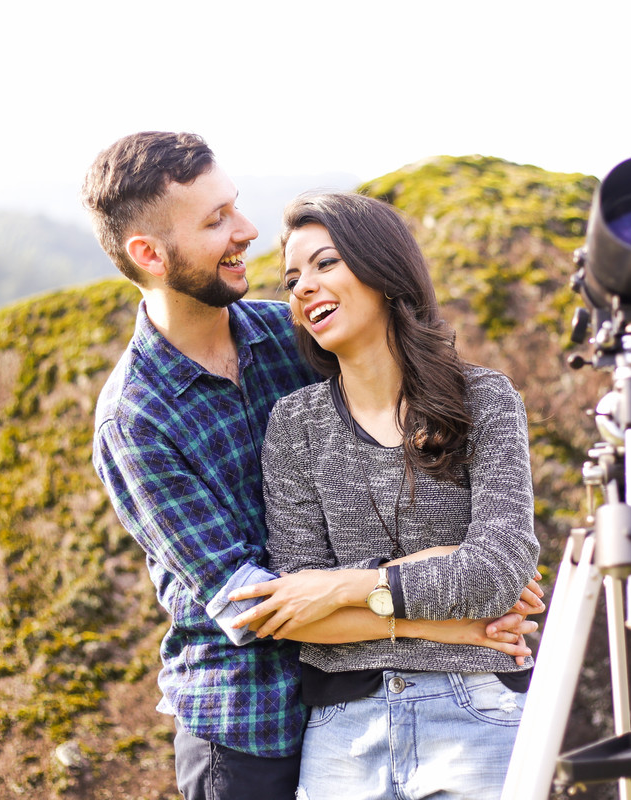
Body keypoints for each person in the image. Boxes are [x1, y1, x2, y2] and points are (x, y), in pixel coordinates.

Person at [83, 132, 542, 800]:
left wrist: (478, 574)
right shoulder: (135, 421)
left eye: (235, 207)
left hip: (355, 698)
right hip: (248, 724)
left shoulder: (289, 337)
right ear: (149, 254)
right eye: (216, 222)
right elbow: (260, 604)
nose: (246, 232)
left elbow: (418, 450)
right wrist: (450, 611)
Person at [228, 191, 541, 800]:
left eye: (325, 264)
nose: (303, 288)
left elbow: (498, 573)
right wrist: (448, 614)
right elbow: (296, 616)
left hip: (475, 713)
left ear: (383, 270)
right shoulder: (294, 425)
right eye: (292, 278)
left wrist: (343, 586)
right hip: (344, 732)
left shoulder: (484, 400)